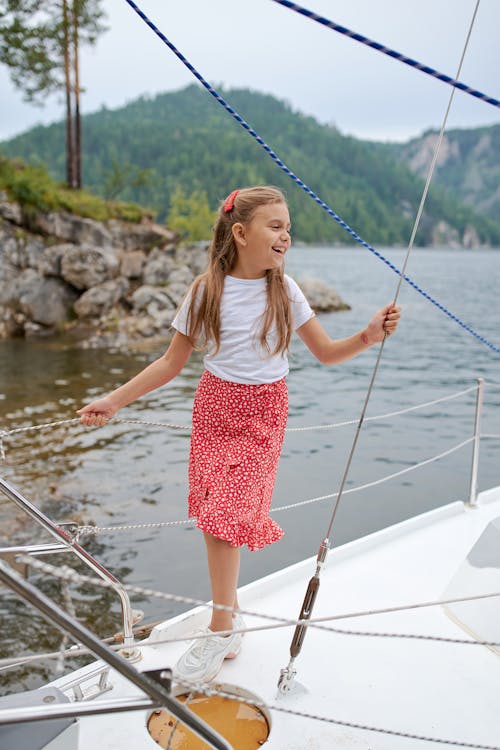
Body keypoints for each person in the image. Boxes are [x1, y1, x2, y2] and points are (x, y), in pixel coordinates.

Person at [77, 185, 401, 683]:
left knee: (226, 514)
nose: (285, 235)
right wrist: (114, 400)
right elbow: (170, 363)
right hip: (213, 408)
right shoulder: (206, 290)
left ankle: (221, 625)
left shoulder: (285, 292)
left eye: (288, 228)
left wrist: (368, 335)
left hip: (263, 414)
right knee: (214, 516)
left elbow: (328, 352)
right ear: (241, 233)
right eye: (275, 226)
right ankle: (227, 619)